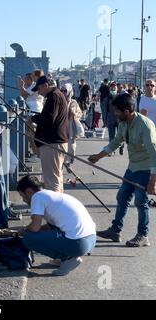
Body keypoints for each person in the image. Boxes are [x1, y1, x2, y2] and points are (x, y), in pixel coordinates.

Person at [89, 93, 156, 247]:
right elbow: (116, 142)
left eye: (117, 111)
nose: (115, 114)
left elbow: (154, 155)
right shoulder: (124, 123)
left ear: (127, 111)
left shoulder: (145, 125)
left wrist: (153, 181)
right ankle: (115, 230)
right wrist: (98, 156)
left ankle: (143, 235)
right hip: (132, 168)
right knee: (122, 197)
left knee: (141, 202)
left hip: (146, 170)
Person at [17, 175, 97, 276]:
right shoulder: (51, 195)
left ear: (28, 191)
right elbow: (49, 227)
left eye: (22, 196)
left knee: (28, 238)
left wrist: (24, 230)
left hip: (78, 243)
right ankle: (65, 258)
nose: (23, 200)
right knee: (44, 232)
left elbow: (35, 227)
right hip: (90, 240)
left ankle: (67, 258)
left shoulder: (37, 197)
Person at [30, 76, 69, 193]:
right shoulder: (57, 95)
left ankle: (54, 209)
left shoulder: (54, 97)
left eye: (39, 89)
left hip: (52, 144)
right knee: (57, 178)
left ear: (45, 86)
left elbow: (49, 118)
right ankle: (59, 206)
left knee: (51, 182)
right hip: (57, 143)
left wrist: (32, 118)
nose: (39, 92)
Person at [60, 83, 82, 165]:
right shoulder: (58, 100)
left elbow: (80, 113)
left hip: (70, 125)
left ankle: (71, 157)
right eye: (61, 90)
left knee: (71, 145)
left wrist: (75, 115)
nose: (63, 92)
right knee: (62, 144)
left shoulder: (73, 102)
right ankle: (65, 161)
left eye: (65, 91)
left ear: (69, 91)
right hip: (61, 125)